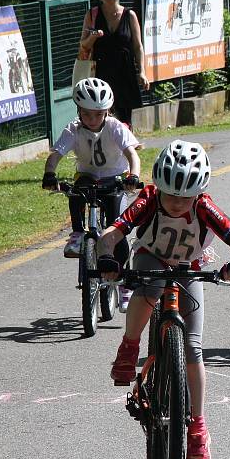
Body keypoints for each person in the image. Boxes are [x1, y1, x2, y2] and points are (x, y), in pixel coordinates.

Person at [97, 140, 230, 459]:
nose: (178, 202)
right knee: (149, 285)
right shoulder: (148, 199)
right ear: (160, 187)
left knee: (193, 347)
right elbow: (111, 233)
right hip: (150, 259)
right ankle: (129, 347)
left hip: (188, 267)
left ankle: (198, 430)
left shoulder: (205, 207)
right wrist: (107, 255)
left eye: (186, 197)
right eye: (171, 195)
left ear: (199, 193)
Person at [41, 77, 140, 304]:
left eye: (98, 114)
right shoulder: (73, 129)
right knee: (76, 190)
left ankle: (124, 280)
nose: (92, 119)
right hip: (88, 177)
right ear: (78, 110)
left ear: (107, 112)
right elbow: (55, 156)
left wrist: (133, 176)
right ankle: (77, 233)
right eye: (86, 114)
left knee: (118, 229)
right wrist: (49, 174)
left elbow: (132, 154)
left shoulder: (116, 127)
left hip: (115, 179)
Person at [79, 0, 149, 127]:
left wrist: (142, 72)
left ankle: (127, 144)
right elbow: (83, 45)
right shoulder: (92, 15)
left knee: (125, 113)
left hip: (125, 70)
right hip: (102, 70)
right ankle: (106, 143)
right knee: (104, 110)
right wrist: (94, 37)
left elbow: (138, 47)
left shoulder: (129, 15)